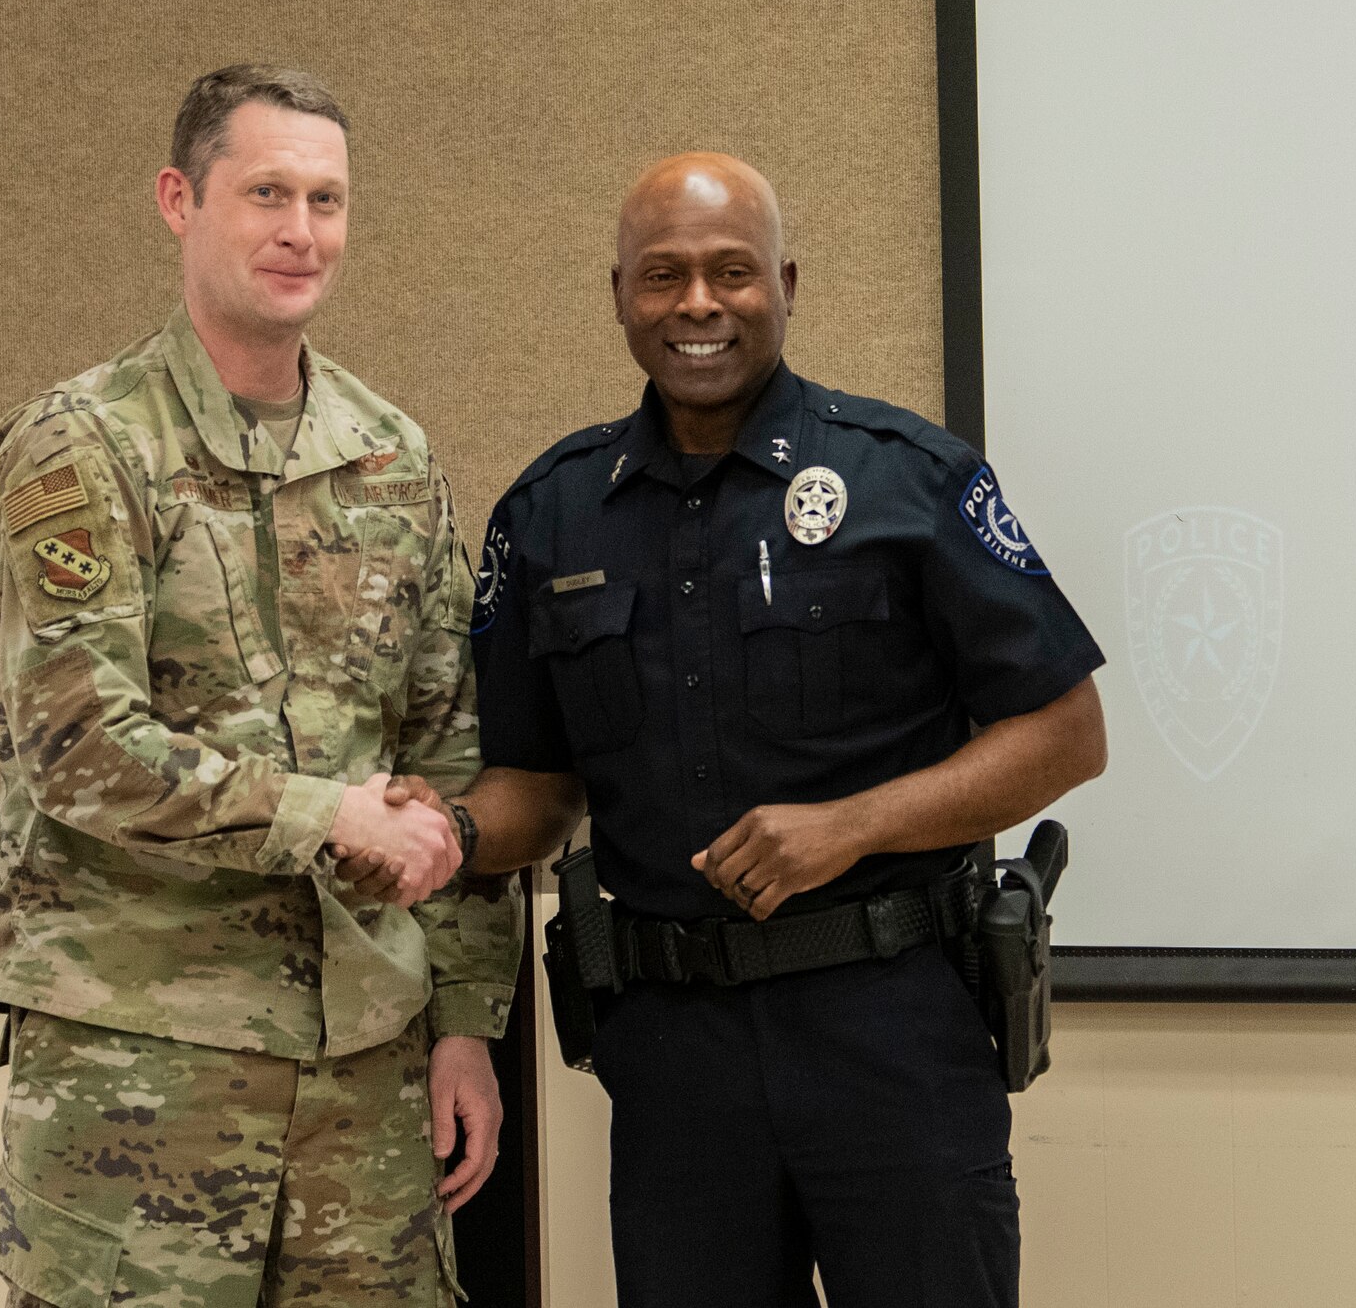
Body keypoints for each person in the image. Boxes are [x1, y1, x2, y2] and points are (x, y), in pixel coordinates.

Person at [424, 152, 1109, 1307]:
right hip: (671, 1055)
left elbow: (1065, 731)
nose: (697, 304)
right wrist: (442, 832)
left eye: (731, 272)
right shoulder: (548, 513)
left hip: (889, 1027)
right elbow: (537, 788)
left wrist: (852, 825)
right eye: (663, 276)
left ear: (784, 284)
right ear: (619, 297)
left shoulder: (905, 480)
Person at [0, 64, 520, 1308]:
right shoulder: (82, 447)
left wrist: (466, 1020)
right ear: (178, 199)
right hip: (139, 1081)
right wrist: (330, 817)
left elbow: (448, 745)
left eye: (326, 199)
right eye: (265, 191)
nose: (298, 231)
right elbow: (79, 742)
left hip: (364, 1081)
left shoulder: (390, 454)